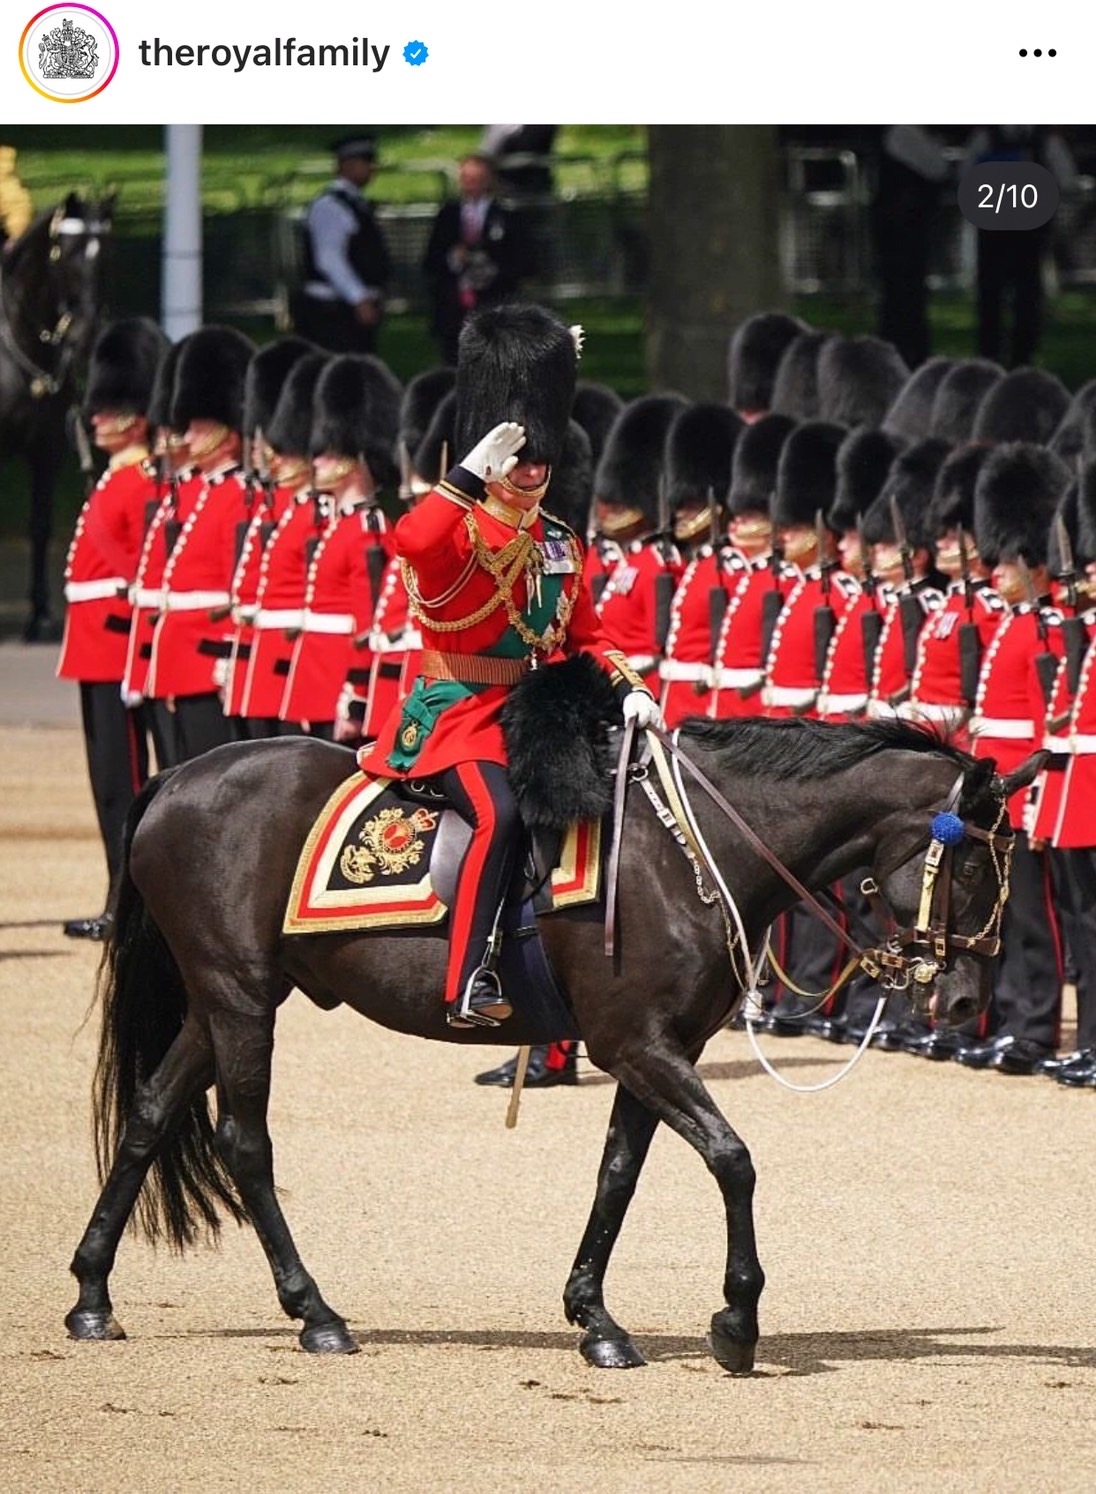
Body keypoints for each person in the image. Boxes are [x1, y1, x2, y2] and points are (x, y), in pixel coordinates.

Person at [357, 304, 661, 1029]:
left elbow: (586, 633)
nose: (530, 473)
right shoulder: (455, 529)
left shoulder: (557, 540)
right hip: (456, 714)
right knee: (497, 812)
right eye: (518, 460)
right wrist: (464, 474)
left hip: (533, 716)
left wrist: (631, 688)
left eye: (540, 459)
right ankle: (465, 977)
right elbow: (411, 541)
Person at [56, 317, 167, 940]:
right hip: (95, 648)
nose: (97, 418)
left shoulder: (144, 483)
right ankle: (117, 895)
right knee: (106, 786)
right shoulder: (117, 478)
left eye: (112, 407)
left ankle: (130, 906)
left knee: (124, 783)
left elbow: (146, 575)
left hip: (121, 649)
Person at [964, 127, 1077, 368]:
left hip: (1001, 231)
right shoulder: (1044, 140)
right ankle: (1017, 357)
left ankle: (997, 356)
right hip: (1023, 232)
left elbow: (965, 175)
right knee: (1021, 296)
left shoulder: (988, 138)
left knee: (999, 296)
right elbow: (1067, 179)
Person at [422, 153, 533, 365]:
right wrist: (453, 258)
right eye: (466, 179)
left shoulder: (507, 216)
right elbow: (431, 261)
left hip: (495, 304)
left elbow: (526, 262)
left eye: (477, 179)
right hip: (455, 309)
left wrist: (492, 269)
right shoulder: (448, 215)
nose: (470, 185)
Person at [292, 134, 390, 355]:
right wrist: (358, 297)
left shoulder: (354, 203)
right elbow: (329, 258)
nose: (372, 169)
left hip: (347, 307)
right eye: (366, 163)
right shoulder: (331, 206)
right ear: (348, 164)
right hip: (333, 310)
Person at [870, 126, 950, 369]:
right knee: (904, 298)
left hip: (901, 228)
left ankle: (902, 352)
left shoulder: (900, 134)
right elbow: (937, 167)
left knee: (902, 297)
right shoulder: (904, 133)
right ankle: (907, 354)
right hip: (903, 229)